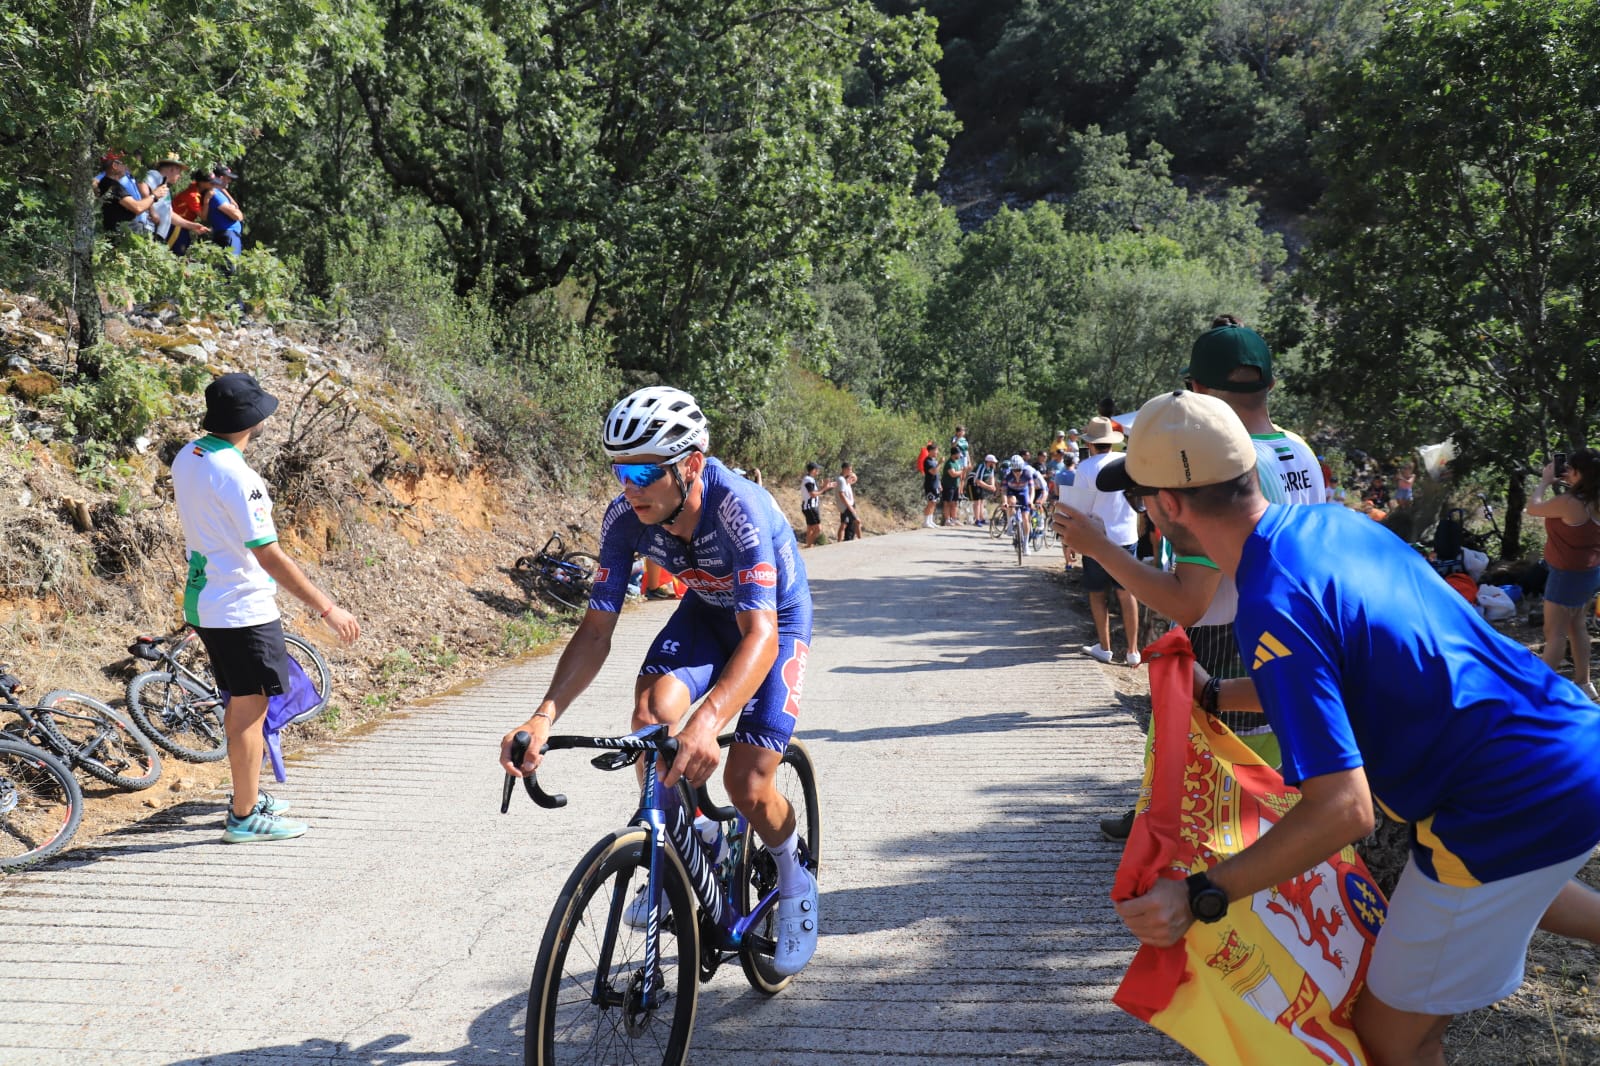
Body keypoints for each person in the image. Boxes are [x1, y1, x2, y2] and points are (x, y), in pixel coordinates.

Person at [1103, 389, 1600, 1066]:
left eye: (1140, 499)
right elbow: (1341, 683)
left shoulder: (1273, 602)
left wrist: (1200, 893)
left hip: (1502, 803)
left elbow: (1344, 811)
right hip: (1568, 745)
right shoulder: (1335, 528)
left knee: (1389, 1037)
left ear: (1167, 506)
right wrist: (1217, 696)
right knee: (1516, 887)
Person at [498, 386, 821, 976]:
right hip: (705, 614)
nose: (631, 485)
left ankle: (795, 875)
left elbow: (761, 637)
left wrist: (709, 721)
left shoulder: (737, 507)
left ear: (691, 463)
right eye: (621, 470)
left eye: (646, 469)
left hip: (772, 623)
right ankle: (693, 837)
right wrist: (543, 715)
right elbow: (596, 632)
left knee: (747, 782)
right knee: (651, 719)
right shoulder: (624, 518)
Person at [170, 373, 362, 843]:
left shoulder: (189, 455)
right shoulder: (239, 476)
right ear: (252, 420)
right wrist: (326, 607)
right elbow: (269, 553)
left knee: (241, 704)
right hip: (242, 609)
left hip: (205, 598)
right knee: (249, 714)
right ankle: (245, 816)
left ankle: (248, 797)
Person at [1056, 418, 1140, 663]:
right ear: (1112, 444)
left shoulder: (1085, 468)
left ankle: (1105, 648)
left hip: (1096, 539)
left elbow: (1078, 508)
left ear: (1090, 444)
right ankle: (1133, 651)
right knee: (1127, 593)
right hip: (1126, 536)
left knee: (1097, 593)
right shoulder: (1127, 463)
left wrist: (1068, 542)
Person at [1527, 449, 1600, 701]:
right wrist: (1570, 482)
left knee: (1554, 633)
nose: (1566, 471)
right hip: (1589, 572)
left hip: (1565, 575)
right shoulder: (1595, 500)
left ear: (1580, 473)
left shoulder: (1570, 503)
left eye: (1571, 468)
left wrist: (1545, 481)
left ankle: (1538, 691)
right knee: (1577, 626)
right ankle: (1585, 683)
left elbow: (1532, 508)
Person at [147, 155, 209, 252]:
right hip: (147, 229)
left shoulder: (165, 187)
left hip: (156, 233)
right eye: (179, 171)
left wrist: (192, 225)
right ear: (172, 169)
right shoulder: (154, 175)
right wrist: (152, 211)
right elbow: (142, 189)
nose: (180, 175)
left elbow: (170, 215)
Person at [97, 151, 159, 237]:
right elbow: (137, 207)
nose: (126, 166)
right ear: (115, 165)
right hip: (122, 237)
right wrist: (154, 195)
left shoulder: (110, 184)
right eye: (124, 163)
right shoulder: (111, 186)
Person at [171, 169, 215, 255]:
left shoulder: (196, 187)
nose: (213, 185)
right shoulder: (192, 196)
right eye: (211, 182)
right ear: (202, 183)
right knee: (177, 253)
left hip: (185, 226)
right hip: (176, 227)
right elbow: (203, 216)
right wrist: (207, 200)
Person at [206, 165, 245, 255]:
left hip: (229, 234)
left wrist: (231, 200)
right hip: (228, 235)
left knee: (230, 266)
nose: (229, 181)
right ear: (221, 178)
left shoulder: (220, 193)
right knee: (229, 266)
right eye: (228, 178)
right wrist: (236, 210)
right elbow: (237, 216)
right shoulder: (216, 194)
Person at [799, 462, 832, 548]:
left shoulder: (810, 479)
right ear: (813, 470)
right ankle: (810, 545)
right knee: (818, 528)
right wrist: (824, 488)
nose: (818, 471)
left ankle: (808, 545)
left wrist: (824, 487)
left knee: (810, 527)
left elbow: (815, 493)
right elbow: (813, 494)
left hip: (810, 507)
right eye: (817, 469)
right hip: (810, 507)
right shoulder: (808, 480)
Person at [969, 453, 998, 527]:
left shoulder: (991, 468)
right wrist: (989, 487)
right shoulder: (982, 466)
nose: (994, 463)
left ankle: (981, 518)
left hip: (980, 484)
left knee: (982, 500)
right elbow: (977, 480)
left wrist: (993, 485)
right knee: (977, 501)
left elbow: (992, 477)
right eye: (993, 462)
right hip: (973, 483)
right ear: (988, 461)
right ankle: (977, 519)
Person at [940, 445, 964, 526]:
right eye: (958, 454)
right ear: (954, 454)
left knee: (955, 503)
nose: (959, 455)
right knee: (947, 503)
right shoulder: (949, 463)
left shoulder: (957, 462)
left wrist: (960, 486)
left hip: (955, 486)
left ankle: (954, 519)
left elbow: (960, 475)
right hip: (948, 486)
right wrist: (961, 471)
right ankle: (947, 520)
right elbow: (953, 474)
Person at [836, 461, 860, 541]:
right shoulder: (841, 480)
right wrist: (850, 507)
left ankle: (840, 541)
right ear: (844, 469)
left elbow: (855, 478)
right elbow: (841, 494)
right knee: (857, 521)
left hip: (848, 504)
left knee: (844, 524)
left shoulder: (845, 479)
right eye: (849, 469)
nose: (851, 471)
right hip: (846, 506)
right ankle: (861, 539)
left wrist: (852, 476)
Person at [920, 442, 940, 528]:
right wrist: (940, 463)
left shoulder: (934, 460)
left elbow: (937, 474)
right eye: (936, 450)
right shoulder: (927, 461)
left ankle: (930, 520)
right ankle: (925, 522)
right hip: (930, 485)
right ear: (931, 451)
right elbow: (933, 471)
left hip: (935, 485)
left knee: (934, 503)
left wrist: (939, 484)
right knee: (930, 502)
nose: (937, 452)